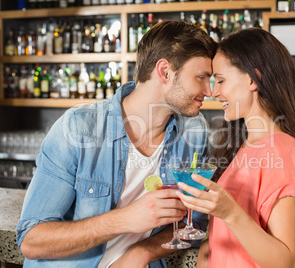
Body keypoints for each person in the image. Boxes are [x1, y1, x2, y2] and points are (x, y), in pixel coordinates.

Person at [16, 21, 217, 268]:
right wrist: (124, 220)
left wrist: (141, 252)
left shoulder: (194, 131)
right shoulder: (78, 128)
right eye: (201, 78)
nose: (209, 90)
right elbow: (31, 240)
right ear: (165, 72)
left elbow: (194, 223)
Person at [175, 28, 295, 267]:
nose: (214, 92)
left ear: (253, 79)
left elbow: (284, 261)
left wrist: (229, 211)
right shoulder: (248, 145)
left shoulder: (280, 151)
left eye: (221, 80)